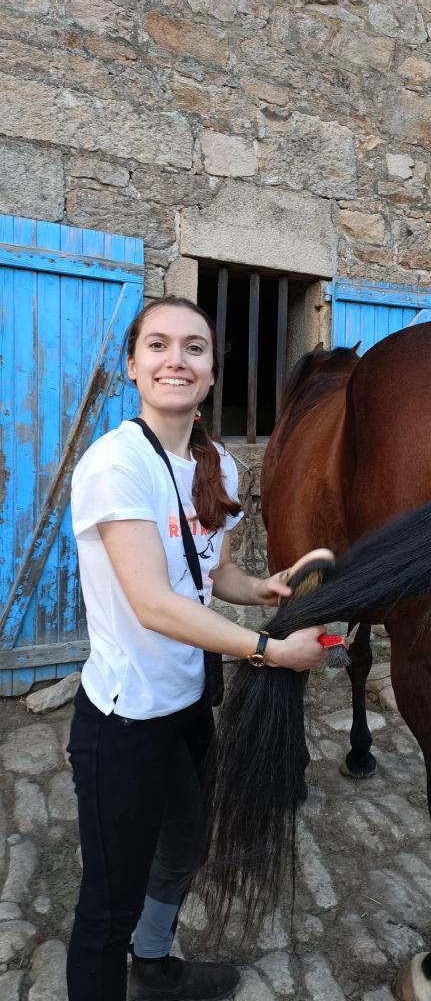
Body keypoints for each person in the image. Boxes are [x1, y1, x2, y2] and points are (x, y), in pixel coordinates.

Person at [67, 296, 325, 1001]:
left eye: (193, 347)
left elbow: (212, 576)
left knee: (185, 850)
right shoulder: (115, 466)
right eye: (157, 346)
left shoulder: (219, 468)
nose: (175, 360)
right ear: (131, 365)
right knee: (106, 906)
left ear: (213, 371)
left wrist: (261, 589)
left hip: (187, 709)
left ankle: (153, 968)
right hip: (122, 723)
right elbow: (154, 604)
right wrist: (268, 651)